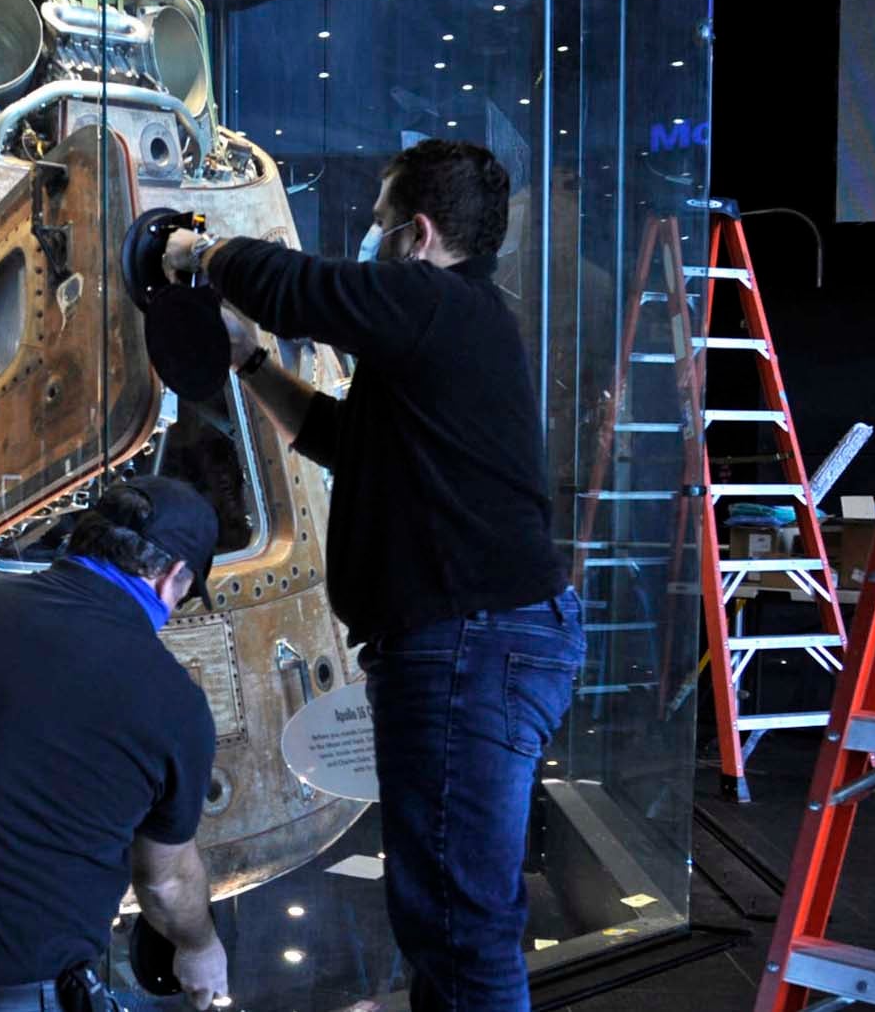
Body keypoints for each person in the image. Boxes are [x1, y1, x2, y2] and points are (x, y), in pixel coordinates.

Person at [162, 139, 586, 1012]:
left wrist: (195, 250)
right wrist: (248, 361)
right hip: (474, 642)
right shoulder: (448, 335)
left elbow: (302, 290)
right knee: (452, 916)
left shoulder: (437, 303)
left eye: (379, 222)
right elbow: (341, 441)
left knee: (461, 925)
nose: (366, 236)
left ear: (418, 235)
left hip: (468, 644)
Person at [0, 477, 232, 1012]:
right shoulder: (173, 701)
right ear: (173, 577)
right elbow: (165, 885)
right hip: (17, 989)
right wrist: (199, 945)